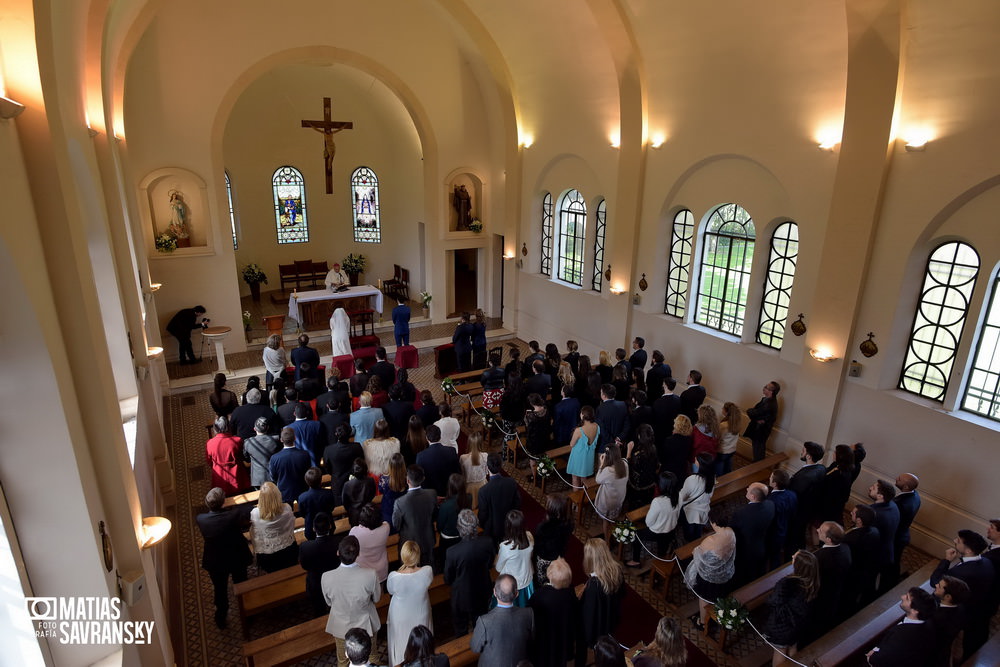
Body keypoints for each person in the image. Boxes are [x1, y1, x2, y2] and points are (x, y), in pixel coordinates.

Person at [929, 529, 996, 660]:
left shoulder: (960, 573)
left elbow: (935, 582)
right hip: (978, 607)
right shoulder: (987, 562)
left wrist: (947, 560)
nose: (954, 541)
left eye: (958, 541)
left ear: (968, 550)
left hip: (962, 613)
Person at [195, 487, 252, 629]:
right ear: (223, 502)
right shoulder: (234, 515)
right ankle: (247, 612)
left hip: (215, 560)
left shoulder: (201, 519)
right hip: (236, 556)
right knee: (241, 583)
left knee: (220, 590)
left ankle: (221, 616)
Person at [322, 535, 382, 667]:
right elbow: (377, 599)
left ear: (338, 553)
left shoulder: (326, 577)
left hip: (340, 625)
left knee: (342, 660)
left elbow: (329, 603)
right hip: (366, 625)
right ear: (358, 554)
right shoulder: (370, 574)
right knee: (372, 657)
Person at [763, 549, 819, 666]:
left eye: (795, 557)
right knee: (793, 648)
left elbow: (773, 601)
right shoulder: (813, 581)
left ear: (798, 565)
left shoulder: (788, 583)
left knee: (780, 652)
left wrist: (769, 598)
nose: (792, 556)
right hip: (799, 625)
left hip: (783, 626)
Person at [444, 509, 495, 636]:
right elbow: (489, 563)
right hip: (482, 590)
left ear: (459, 528)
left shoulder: (452, 552)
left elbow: (448, 578)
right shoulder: (487, 542)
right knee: (481, 624)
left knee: (461, 628)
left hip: (461, 596)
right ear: (476, 525)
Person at [576, 539, 625, 667]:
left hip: (597, 625)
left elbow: (589, 615)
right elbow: (622, 594)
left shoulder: (594, 585)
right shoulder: (617, 570)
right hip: (611, 617)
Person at [684, 512, 736, 631]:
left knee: (704, 597)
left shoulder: (711, 540)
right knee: (718, 595)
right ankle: (716, 612)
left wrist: (695, 551)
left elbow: (698, 553)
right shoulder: (730, 531)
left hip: (710, 577)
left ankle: (702, 623)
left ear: (713, 523)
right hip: (725, 572)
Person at [387, 541, 435, 667]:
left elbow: (390, 590)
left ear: (403, 556)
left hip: (400, 615)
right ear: (417, 555)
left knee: (401, 640)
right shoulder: (427, 571)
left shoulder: (393, 577)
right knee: (421, 639)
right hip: (420, 611)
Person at [472, 574, 535, 667]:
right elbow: (532, 640)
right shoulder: (528, 614)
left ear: (494, 592)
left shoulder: (484, 621)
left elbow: (475, 648)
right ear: (517, 594)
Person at [866, 587, 938, 666]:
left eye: (907, 598)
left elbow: (879, 659)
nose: (902, 597)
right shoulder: (928, 623)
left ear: (915, 611)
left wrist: (872, 656)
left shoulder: (901, 636)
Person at [528, 557, 577, 667]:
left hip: (544, 639)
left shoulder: (539, 595)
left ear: (549, 574)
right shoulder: (570, 593)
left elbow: (530, 615)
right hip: (561, 638)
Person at [626, 472, 680, 567]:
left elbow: (648, 522)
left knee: (637, 536)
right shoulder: (679, 497)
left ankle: (635, 560)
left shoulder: (658, 501)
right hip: (671, 530)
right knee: (663, 544)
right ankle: (661, 555)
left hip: (656, 531)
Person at [730, 482, 776, 586]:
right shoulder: (770, 505)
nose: (746, 489)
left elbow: (732, 531)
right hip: (761, 545)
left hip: (745, 548)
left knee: (745, 573)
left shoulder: (741, 514)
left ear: (753, 497)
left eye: (748, 489)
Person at [392, 465, 438, 567]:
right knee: (429, 568)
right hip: (428, 539)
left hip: (409, 545)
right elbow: (435, 515)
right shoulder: (432, 494)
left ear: (407, 480)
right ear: (423, 478)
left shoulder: (400, 502)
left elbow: (396, 525)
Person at [812, 521, 852, 637]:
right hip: (836, 591)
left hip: (822, 595)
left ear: (829, 539)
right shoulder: (845, 548)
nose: (817, 529)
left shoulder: (820, 557)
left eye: (821, 530)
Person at [299, 512, 343, 615]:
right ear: (330, 526)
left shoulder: (305, 547)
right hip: (337, 581)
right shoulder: (340, 542)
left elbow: (304, 566)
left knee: (318, 609)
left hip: (316, 583)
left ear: (314, 529)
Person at [250, 482, 298, 572]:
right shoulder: (287, 508)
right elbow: (292, 525)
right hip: (288, 551)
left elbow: (256, 532)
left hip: (267, 555)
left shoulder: (255, 513)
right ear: (278, 495)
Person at [788, 441, 827, 552]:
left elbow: (794, 494)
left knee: (795, 535)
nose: (801, 452)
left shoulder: (804, 477)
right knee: (800, 532)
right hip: (811, 507)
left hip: (800, 510)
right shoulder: (821, 468)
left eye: (803, 451)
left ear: (808, 456)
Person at [843, 504, 882, 609]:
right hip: (867, 568)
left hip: (854, 572)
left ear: (859, 521)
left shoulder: (851, 539)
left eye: (853, 513)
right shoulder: (875, 530)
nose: (851, 513)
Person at [478, 452, 521, 546]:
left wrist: (482, 525)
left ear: (487, 467)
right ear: (500, 466)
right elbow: (517, 503)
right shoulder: (511, 482)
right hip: (510, 524)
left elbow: (483, 514)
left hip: (493, 529)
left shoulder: (483, 491)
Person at [494, 510, 535, 606]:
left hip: (511, 585)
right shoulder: (529, 537)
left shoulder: (505, 547)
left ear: (508, 527)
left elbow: (498, 568)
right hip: (527, 580)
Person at [868, 478, 901, 592]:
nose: (870, 488)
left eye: (873, 488)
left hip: (875, 555)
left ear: (880, 496)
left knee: (868, 583)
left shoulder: (874, 514)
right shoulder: (893, 505)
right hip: (887, 551)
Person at [931, 575, 969, 667]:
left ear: (948, 597)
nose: (936, 585)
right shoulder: (960, 607)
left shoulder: (936, 618)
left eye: (939, 586)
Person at [205, 416, 248, 495]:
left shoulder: (209, 443)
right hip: (237, 476)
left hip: (219, 478)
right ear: (228, 427)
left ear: (215, 428)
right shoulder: (237, 440)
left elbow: (209, 461)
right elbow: (242, 456)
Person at [893, 472, 922, 586]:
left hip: (896, 537)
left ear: (905, 487)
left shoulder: (901, 504)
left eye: (899, 479)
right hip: (903, 534)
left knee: (891, 563)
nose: (896, 478)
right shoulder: (915, 495)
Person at [595, 443, 629, 540]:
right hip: (619, 499)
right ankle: (615, 534)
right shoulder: (625, 464)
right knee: (613, 519)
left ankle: (607, 541)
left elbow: (598, 479)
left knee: (606, 521)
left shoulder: (608, 471)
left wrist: (601, 465)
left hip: (608, 502)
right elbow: (624, 459)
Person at [436, 473, 471, 568]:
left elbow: (440, 526)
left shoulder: (445, 506)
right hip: (463, 536)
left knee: (446, 561)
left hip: (448, 540)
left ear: (450, 487)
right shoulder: (469, 498)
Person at [350, 502, 391, 583]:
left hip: (363, 570)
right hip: (381, 569)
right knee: (379, 592)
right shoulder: (386, 528)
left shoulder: (354, 532)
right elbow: (384, 523)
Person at [416, 424, 460, 497]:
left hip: (431, 495)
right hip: (449, 492)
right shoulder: (451, 451)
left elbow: (421, 479)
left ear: (427, 438)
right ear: (440, 436)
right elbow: (457, 472)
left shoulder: (420, 456)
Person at [678, 453, 715, 541]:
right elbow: (710, 494)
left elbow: (682, 496)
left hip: (690, 512)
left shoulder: (693, 479)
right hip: (703, 510)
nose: (695, 460)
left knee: (689, 535)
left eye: (696, 460)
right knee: (697, 533)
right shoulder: (712, 477)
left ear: (700, 464)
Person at [269, 427, 311, 503]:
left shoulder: (274, 458)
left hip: (285, 492)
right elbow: (308, 472)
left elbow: (273, 477)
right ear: (295, 438)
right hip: (302, 489)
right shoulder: (305, 454)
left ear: (281, 440)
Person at [767, 469, 798, 570]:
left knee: (773, 557)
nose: (769, 478)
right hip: (787, 528)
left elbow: (769, 520)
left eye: (771, 477)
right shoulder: (792, 494)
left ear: (775, 484)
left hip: (774, 533)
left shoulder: (771, 501)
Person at [625, 423, 659, 511]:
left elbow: (628, 466)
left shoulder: (638, 455)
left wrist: (628, 452)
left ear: (640, 436)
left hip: (638, 485)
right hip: (650, 482)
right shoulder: (653, 448)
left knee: (634, 505)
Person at [298, 466, 337, 541]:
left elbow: (302, 514)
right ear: (321, 480)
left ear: (306, 481)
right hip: (327, 524)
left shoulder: (302, 497)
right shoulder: (328, 493)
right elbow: (332, 507)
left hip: (311, 527)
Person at [745, 381, 780, 461]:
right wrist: (755, 416)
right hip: (758, 429)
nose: (764, 388)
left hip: (761, 431)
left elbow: (753, 412)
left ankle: (757, 469)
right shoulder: (766, 399)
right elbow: (754, 412)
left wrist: (751, 411)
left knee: (758, 452)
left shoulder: (770, 404)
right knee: (756, 450)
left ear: (771, 391)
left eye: (766, 387)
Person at [566, 405, 599, 487]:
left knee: (575, 477)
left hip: (578, 457)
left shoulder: (579, 431)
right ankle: (584, 496)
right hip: (588, 457)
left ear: (583, 415)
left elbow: (571, 444)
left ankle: (576, 499)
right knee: (584, 478)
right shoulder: (597, 426)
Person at [821, 443, 855, 523]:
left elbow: (830, 492)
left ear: (840, 456)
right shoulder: (836, 465)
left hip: (830, 505)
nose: (833, 453)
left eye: (835, 452)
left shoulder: (841, 475)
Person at [523, 392, 551, 481]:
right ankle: (543, 473)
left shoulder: (530, 416)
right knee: (542, 457)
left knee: (533, 460)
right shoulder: (546, 410)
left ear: (531, 404)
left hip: (534, 442)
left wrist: (525, 416)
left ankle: (535, 477)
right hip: (545, 438)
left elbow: (527, 427)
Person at [657, 413, 692, 484]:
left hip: (668, 472)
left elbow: (663, 457)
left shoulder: (669, 440)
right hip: (680, 471)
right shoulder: (688, 439)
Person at [290, 401, 325, 466]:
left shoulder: (288, 428)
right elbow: (321, 442)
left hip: (296, 462)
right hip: (314, 460)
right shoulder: (317, 425)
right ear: (307, 413)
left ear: (294, 413)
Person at [595, 384, 628, 453]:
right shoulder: (623, 405)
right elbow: (627, 425)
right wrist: (619, 438)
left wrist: (613, 441)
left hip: (604, 445)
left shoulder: (600, 408)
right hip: (620, 444)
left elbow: (601, 429)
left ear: (603, 395)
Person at [379, 452, 408, 527]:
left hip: (388, 510)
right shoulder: (407, 479)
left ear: (390, 466)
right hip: (403, 509)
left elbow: (380, 490)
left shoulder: (384, 479)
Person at [460, 429, 488, 506]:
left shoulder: (463, 458)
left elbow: (462, 474)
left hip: (468, 487)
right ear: (480, 444)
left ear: (469, 443)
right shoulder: (485, 456)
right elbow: (486, 472)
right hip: (482, 485)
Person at [716, 401, 745, 476]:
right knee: (728, 466)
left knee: (719, 468)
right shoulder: (737, 422)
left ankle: (720, 481)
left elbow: (718, 437)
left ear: (726, 412)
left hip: (723, 450)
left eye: (723, 408)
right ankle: (728, 479)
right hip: (732, 449)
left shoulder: (724, 425)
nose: (722, 409)